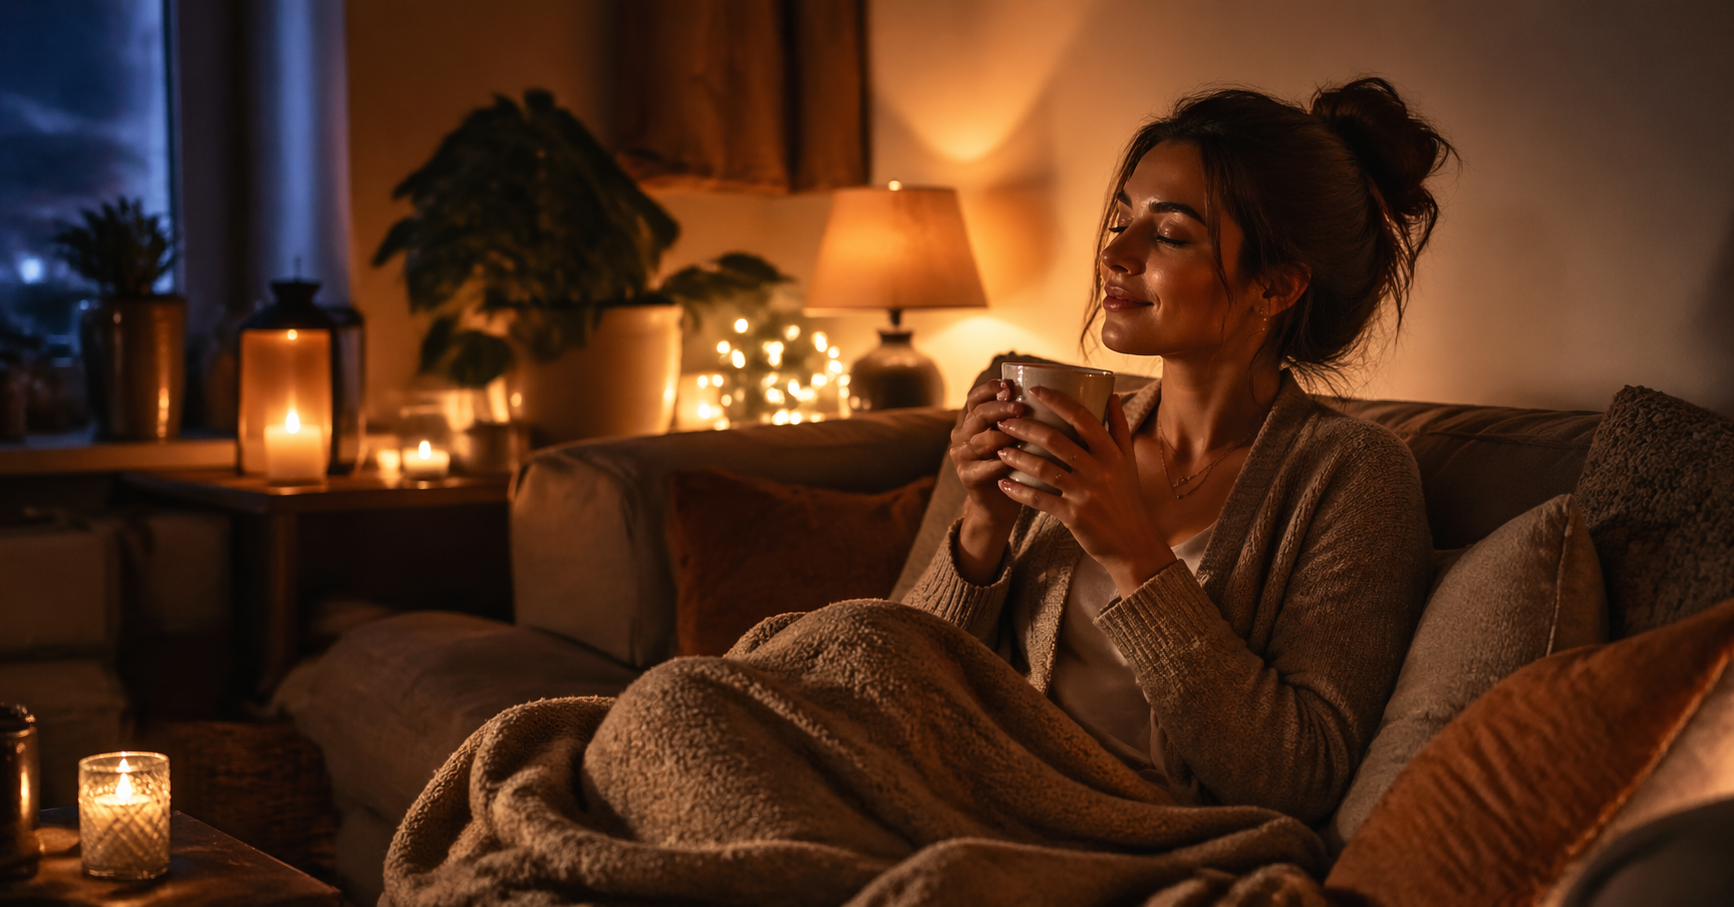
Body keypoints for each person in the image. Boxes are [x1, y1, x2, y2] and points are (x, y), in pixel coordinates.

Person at [903, 77, 1454, 824]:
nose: (1115, 256)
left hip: (1132, 834)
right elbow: (909, 680)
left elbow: (1301, 773)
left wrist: (1134, 553)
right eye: (1121, 219)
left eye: (1169, 234)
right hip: (968, 790)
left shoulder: (1354, 476)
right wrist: (982, 526)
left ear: (1278, 286)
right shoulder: (1079, 430)